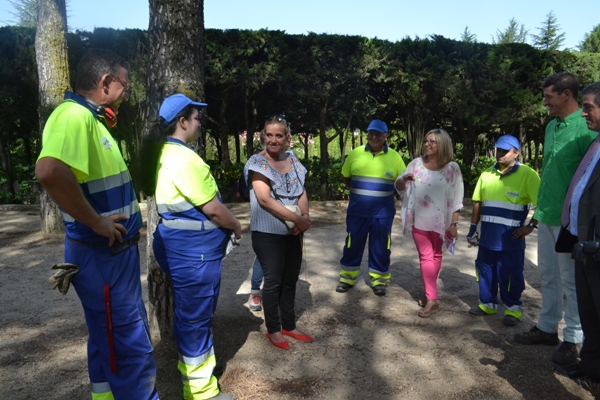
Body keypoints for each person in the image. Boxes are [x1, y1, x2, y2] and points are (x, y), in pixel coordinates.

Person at [35, 49, 158, 399]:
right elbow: (49, 171)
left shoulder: (89, 118)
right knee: (128, 342)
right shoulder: (74, 116)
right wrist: (98, 223)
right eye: (125, 86)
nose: (126, 94)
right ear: (106, 82)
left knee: (108, 338)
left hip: (106, 255)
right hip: (103, 254)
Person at [140, 94, 241, 400]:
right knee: (196, 319)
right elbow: (213, 210)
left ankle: (193, 373)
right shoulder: (185, 159)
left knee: (189, 314)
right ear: (182, 122)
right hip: (195, 253)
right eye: (196, 118)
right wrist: (236, 226)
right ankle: (202, 391)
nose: (199, 123)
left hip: (178, 247)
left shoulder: (163, 152)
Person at [514, 72, 596, 366]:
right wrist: (536, 216)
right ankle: (548, 328)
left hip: (570, 222)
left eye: (549, 96)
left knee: (571, 281)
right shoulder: (551, 127)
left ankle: (573, 339)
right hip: (547, 215)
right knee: (548, 276)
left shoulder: (588, 129)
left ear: (566, 95)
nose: (545, 102)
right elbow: (551, 172)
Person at [244, 114, 312, 350]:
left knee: (290, 280)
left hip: (293, 231)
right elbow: (264, 199)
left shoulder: (292, 159)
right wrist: (297, 219)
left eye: (279, 136)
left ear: (287, 138)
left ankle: (289, 325)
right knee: (273, 281)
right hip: (267, 232)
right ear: (263, 136)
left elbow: (301, 190)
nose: (274, 140)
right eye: (270, 135)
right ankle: (273, 329)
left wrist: (304, 217)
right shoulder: (257, 163)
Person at [466, 135, 540, 326]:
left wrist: (530, 227)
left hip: (511, 239)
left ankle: (512, 308)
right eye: (498, 150)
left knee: (510, 273)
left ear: (517, 153)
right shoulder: (486, 175)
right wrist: (472, 229)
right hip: (487, 237)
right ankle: (487, 304)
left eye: (505, 151)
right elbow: (477, 202)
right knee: (485, 270)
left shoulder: (528, 174)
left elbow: (542, 204)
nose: (500, 154)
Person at [554, 81, 600, 382]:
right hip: (584, 244)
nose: (584, 113)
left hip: (596, 246)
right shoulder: (596, 143)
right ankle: (591, 368)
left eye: (589, 107)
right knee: (590, 314)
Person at [395, 129, 464, 317]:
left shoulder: (452, 168)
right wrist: (403, 179)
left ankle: (429, 293)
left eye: (432, 141)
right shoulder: (416, 164)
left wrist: (454, 223)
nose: (427, 144)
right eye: (426, 141)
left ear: (443, 144)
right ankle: (432, 298)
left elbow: (458, 197)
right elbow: (399, 187)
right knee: (426, 256)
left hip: (441, 222)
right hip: (418, 220)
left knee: (436, 254)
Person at [336, 119, 406, 296]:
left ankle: (379, 280)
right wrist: (358, 191)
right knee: (352, 243)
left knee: (381, 246)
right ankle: (347, 278)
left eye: (378, 133)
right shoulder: (356, 153)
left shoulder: (395, 157)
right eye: (371, 133)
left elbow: (402, 182)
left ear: (385, 135)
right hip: (357, 211)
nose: (374, 137)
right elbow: (345, 176)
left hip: (383, 213)